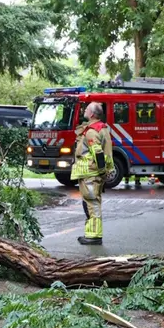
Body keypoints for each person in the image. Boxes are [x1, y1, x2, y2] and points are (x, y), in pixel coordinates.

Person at [70, 102, 114, 245]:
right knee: (91, 202)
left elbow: (98, 153)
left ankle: (94, 236)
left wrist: (100, 171)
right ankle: (91, 234)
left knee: (92, 203)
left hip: (90, 173)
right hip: (93, 173)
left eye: (87, 109)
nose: (85, 110)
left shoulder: (91, 131)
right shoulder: (103, 128)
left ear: (92, 114)